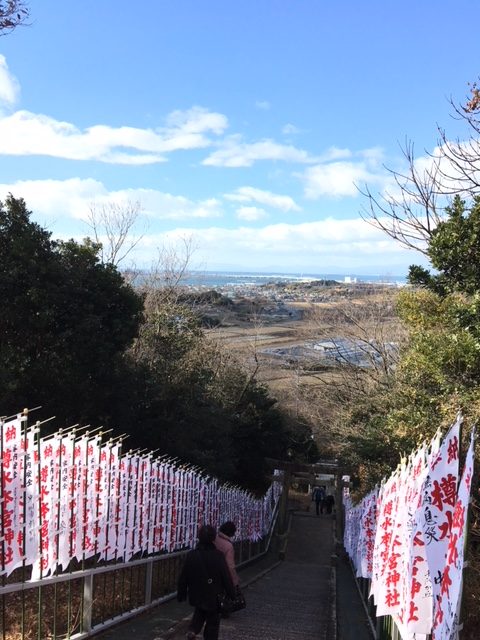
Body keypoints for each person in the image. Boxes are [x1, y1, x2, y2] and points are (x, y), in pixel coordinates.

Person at [177, 524, 235, 640]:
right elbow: (225, 576)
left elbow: (184, 576)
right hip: (214, 594)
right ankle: (202, 634)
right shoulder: (218, 556)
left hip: (196, 593)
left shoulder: (192, 555)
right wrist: (231, 592)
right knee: (212, 622)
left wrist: (181, 593)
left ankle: (193, 630)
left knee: (200, 610)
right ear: (213, 538)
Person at [214, 521, 240, 589]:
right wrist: (235, 581)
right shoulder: (228, 546)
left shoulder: (215, 539)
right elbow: (230, 566)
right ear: (231, 533)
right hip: (222, 575)